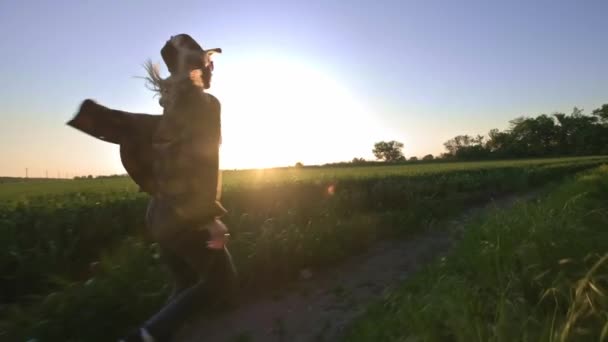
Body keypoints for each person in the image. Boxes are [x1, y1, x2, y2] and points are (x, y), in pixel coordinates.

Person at [68, 33, 237, 342]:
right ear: (194, 66)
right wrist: (209, 217)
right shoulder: (205, 104)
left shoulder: (175, 104)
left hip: (159, 214)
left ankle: (152, 335)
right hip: (184, 214)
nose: (212, 67)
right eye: (206, 61)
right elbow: (202, 162)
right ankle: (141, 338)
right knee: (220, 282)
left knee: (186, 285)